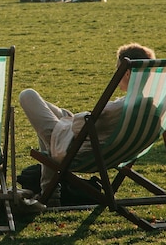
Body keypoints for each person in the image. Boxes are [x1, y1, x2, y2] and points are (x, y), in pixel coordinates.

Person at [19, 43, 156, 203]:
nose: (115, 74)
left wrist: (82, 117)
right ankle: (50, 194)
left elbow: (80, 126)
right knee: (49, 116)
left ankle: (50, 195)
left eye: (117, 69)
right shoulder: (151, 106)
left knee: (28, 95)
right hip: (109, 151)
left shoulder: (120, 108)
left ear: (126, 73)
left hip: (78, 152)